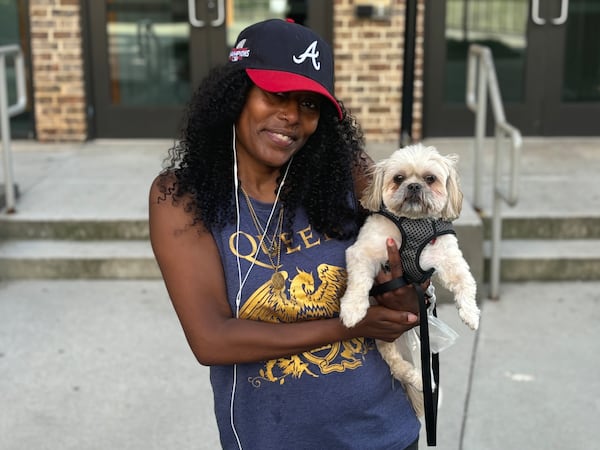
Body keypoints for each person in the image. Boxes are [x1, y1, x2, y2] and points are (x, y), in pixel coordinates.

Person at [149, 18, 424, 450]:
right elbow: (212, 339)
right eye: (275, 94)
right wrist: (350, 326)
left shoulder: (350, 177)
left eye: (309, 105)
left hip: (383, 433)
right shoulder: (182, 196)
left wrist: (407, 297)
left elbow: (409, 301)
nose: (292, 116)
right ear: (236, 94)